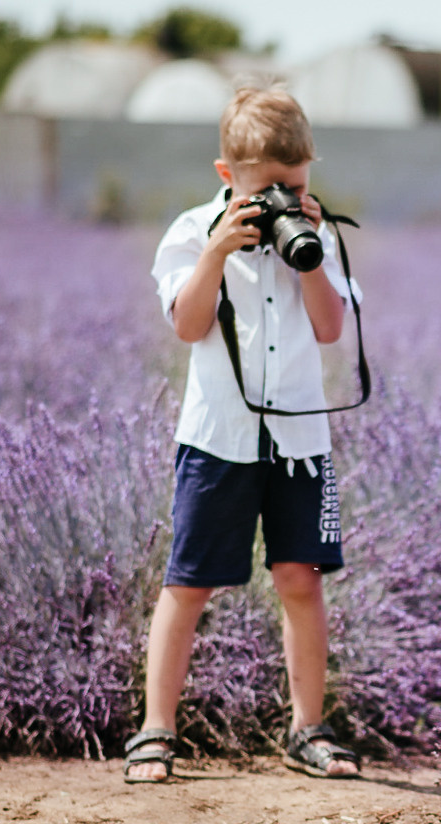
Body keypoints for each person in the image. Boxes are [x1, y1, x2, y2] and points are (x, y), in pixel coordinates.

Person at [125, 88, 361, 783]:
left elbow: (329, 328)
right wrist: (217, 250)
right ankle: (155, 729)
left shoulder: (316, 237)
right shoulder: (192, 230)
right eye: (267, 189)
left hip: (299, 441)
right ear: (227, 176)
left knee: (301, 578)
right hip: (217, 437)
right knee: (189, 582)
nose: (283, 200)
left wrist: (310, 256)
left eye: (296, 184)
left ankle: (308, 727)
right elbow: (187, 325)